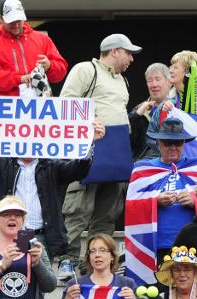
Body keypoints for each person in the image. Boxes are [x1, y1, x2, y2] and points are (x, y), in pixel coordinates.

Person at [0, 114, 102, 264]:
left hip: (39, 236)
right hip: (8, 235)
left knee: (41, 282)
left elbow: (78, 170)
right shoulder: (4, 165)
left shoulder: (50, 166)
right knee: (8, 279)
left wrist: (89, 141)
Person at [60, 33, 141, 278]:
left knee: (108, 210)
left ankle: (97, 263)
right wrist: (88, 122)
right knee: (79, 207)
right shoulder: (86, 70)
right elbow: (65, 103)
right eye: (128, 53)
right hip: (89, 148)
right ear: (114, 51)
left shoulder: (122, 81)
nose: (131, 59)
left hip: (115, 151)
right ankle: (68, 258)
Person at [124, 117, 197, 285]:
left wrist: (194, 200)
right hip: (156, 245)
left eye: (178, 143)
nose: (173, 148)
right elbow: (130, 207)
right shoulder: (143, 169)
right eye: (168, 143)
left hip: (192, 245)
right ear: (159, 143)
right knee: (156, 296)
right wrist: (155, 201)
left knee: (188, 296)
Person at [0, 0, 67, 96]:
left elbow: (61, 71)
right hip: (9, 107)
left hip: (40, 105)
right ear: (1, 19)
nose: (16, 25)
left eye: (19, 20)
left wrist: (50, 66)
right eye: (11, 21)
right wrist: (19, 79)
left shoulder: (42, 39)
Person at [147, 50, 197, 156]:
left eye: (175, 67)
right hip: (171, 166)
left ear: (189, 72)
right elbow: (151, 136)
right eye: (171, 66)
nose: (170, 70)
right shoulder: (166, 103)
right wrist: (168, 151)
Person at [128, 63, 173, 160]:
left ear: (169, 82)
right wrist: (135, 116)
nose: (154, 85)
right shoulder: (139, 109)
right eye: (150, 81)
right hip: (143, 162)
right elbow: (127, 141)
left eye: (158, 79)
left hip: (172, 161)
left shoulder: (178, 107)